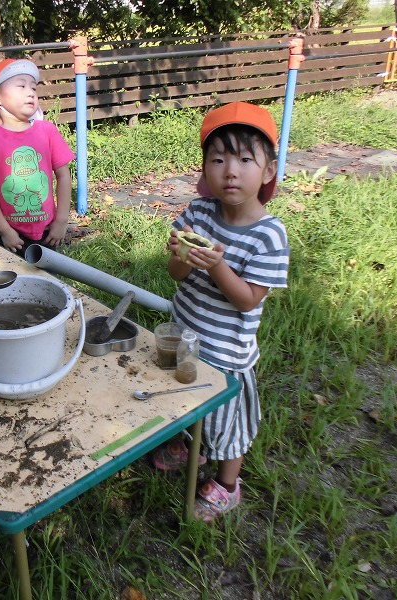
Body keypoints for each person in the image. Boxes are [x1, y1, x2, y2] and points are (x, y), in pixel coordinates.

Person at [150, 102, 290, 521]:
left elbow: (248, 299)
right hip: (187, 332)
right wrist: (182, 254)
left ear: (267, 170)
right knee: (184, 396)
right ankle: (186, 443)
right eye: (219, 159)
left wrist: (217, 266)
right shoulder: (197, 214)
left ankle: (227, 485)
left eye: (245, 159)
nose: (231, 170)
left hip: (227, 351)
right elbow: (175, 273)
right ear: (205, 169)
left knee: (228, 424)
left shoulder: (269, 234)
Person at [0, 58, 76, 254]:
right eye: (21, 86)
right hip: (4, 234)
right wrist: (4, 230)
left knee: (46, 281)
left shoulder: (47, 131)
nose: (30, 92)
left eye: (34, 88)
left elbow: (64, 175)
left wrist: (61, 221)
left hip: (47, 231)